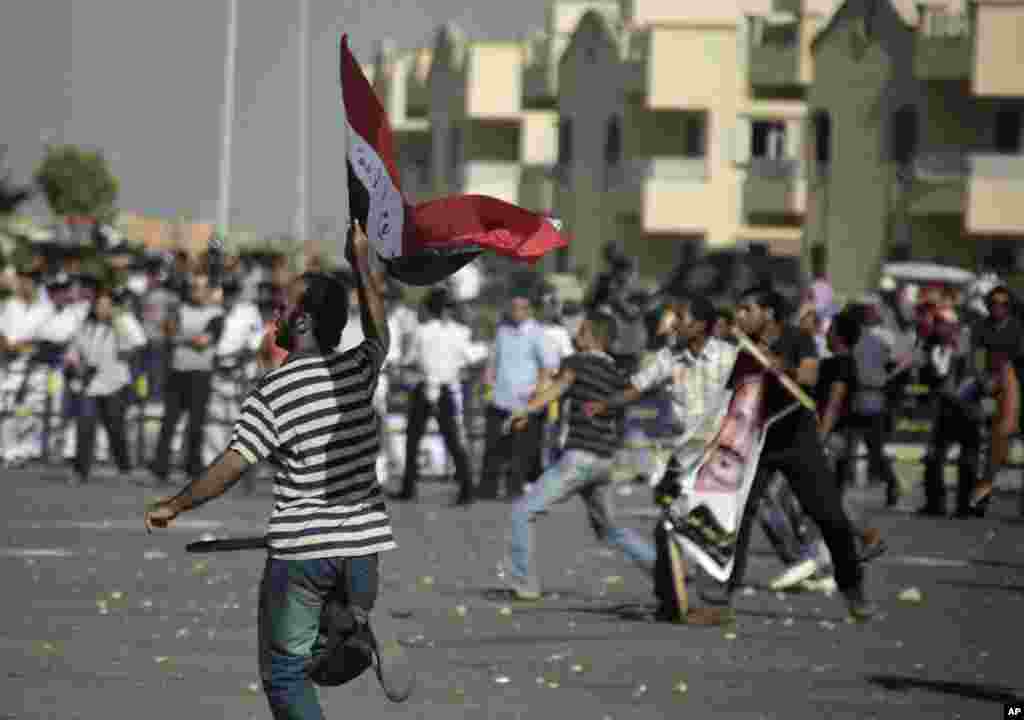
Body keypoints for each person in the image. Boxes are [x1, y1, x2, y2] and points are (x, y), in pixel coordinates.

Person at [144, 220, 412, 715]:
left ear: (305, 321)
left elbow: (232, 464)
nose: (275, 314)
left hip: (304, 550)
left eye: (284, 307)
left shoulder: (275, 392)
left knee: (285, 671)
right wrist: (363, 262)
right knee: (321, 646)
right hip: (364, 549)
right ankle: (358, 626)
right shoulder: (357, 372)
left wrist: (175, 503)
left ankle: (354, 633)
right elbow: (380, 329)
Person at [584, 296, 738, 622]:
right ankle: (671, 602)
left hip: (722, 457)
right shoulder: (669, 358)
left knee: (711, 531)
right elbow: (636, 388)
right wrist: (605, 405)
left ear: (700, 326)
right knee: (667, 527)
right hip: (684, 457)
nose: (674, 325)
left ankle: (713, 605)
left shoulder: (729, 357)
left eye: (681, 318)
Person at [723, 289, 875, 619]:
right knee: (738, 517)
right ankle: (723, 595)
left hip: (798, 440)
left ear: (769, 313)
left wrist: (781, 366)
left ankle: (853, 589)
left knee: (830, 516)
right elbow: (733, 394)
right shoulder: (739, 349)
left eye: (747, 309)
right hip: (758, 441)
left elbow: (809, 375)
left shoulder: (798, 339)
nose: (740, 316)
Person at [500, 310, 656, 600]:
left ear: (589, 336)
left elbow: (556, 390)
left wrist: (524, 411)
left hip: (579, 458)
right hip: (604, 460)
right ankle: (664, 570)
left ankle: (524, 586)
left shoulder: (577, 363)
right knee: (610, 529)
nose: (574, 335)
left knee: (522, 512)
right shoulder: (617, 373)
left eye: (580, 331)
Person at [390, 286, 485, 505]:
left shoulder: (421, 332)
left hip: (424, 387)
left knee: (413, 439)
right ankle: (466, 489)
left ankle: (408, 487)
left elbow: (409, 359)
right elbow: (473, 357)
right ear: (449, 309)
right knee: (453, 440)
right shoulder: (461, 332)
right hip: (446, 388)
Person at [478, 292, 558, 500]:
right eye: (513, 307)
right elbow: (492, 361)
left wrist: (537, 393)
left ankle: (515, 489)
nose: (515, 311)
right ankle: (488, 489)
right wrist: (487, 385)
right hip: (499, 399)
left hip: (525, 401)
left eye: (520, 307)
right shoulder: (502, 332)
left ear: (528, 310)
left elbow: (548, 366)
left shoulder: (538, 334)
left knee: (520, 450)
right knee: (493, 447)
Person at [64, 285, 147, 485]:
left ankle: (124, 468)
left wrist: (118, 321)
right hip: (90, 384)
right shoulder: (85, 327)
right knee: (85, 426)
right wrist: (74, 364)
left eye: (106, 306)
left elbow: (134, 344)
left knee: (115, 428)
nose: (102, 309)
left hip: (114, 383)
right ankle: (80, 470)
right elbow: (74, 349)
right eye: (99, 305)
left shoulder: (120, 325)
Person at [148, 273, 223, 485]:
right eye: (194, 288)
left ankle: (193, 468)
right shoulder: (179, 309)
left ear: (208, 291)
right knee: (169, 422)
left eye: (201, 288)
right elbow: (168, 333)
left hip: (200, 374)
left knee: (196, 424)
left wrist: (181, 338)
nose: (196, 292)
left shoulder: (216, 314)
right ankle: (160, 468)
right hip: (178, 371)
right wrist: (186, 338)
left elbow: (204, 341)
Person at [970, 285, 1023, 513]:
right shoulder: (981, 328)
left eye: (1003, 303)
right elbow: (977, 358)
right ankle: (982, 497)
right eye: (993, 303)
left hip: (1015, 386)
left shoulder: (1018, 329)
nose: (998, 307)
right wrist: (983, 381)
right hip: (992, 391)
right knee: (993, 448)